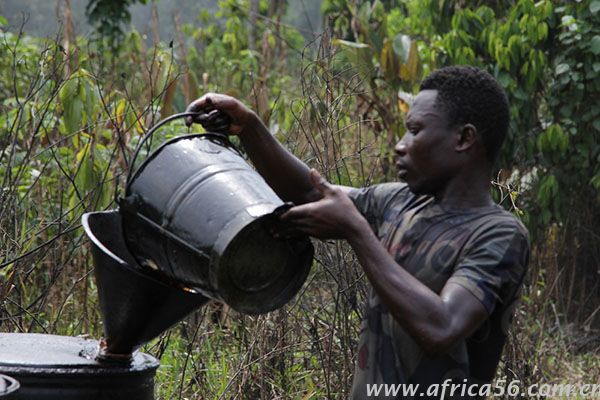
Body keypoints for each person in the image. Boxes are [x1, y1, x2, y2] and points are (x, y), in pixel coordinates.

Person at [185, 66, 529, 399]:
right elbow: (310, 194)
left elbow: (441, 327)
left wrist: (356, 229)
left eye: (416, 129)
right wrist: (249, 127)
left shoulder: (498, 234)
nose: (400, 144)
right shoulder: (399, 201)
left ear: (464, 138)